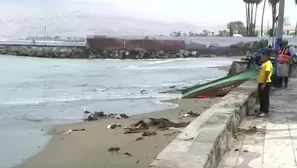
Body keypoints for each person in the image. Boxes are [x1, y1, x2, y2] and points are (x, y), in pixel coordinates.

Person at [257, 48, 273, 117]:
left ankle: (265, 111)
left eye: (264, 55)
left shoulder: (268, 63)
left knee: (265, 97)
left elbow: (267, 73)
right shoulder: (264, 63)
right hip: (261, 82)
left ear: (268, 56)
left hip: (265, 83)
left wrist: (264, 84)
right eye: (262, 55)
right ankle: (261, 110)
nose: (262, 57)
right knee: (261, 97)